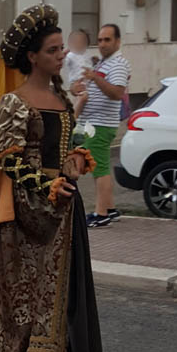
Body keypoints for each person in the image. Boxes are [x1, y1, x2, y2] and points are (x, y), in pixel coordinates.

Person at [0, 3, 104, 352]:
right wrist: (45, 187)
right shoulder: (14, 102)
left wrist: (74, 164)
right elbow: (7, 160)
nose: (62, 55)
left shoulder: (61, 99)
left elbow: (64, 151)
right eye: (53, 50)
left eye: (62, 48)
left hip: (63, 205)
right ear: (32, 57)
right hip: (30, 211)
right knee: (26, 290)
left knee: (61, 290)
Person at [72, 23, 131, 227]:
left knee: (99, 168)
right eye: (100, 40)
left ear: (118, 41)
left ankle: (101, 214)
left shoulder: (118, 64)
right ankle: (110, 208)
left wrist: (95, 78)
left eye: (107, 40)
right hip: (91, 123)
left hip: (101, 124)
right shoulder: (103, 63)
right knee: (99, 165)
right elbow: (89, 85)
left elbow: (116, 92)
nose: (102, 44)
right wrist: (79, 87)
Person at [61, 29, 93, 118]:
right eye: (75, 42)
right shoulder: (71, 55)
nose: (78, 45)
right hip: (76, 80)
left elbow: (90, 66)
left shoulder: (86, 55)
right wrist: (63, 55)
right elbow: (64, 63)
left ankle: (76, 116)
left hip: (86, 81)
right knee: (82, 97)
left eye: (82, 42)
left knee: (83, 98)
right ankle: (73, 117)